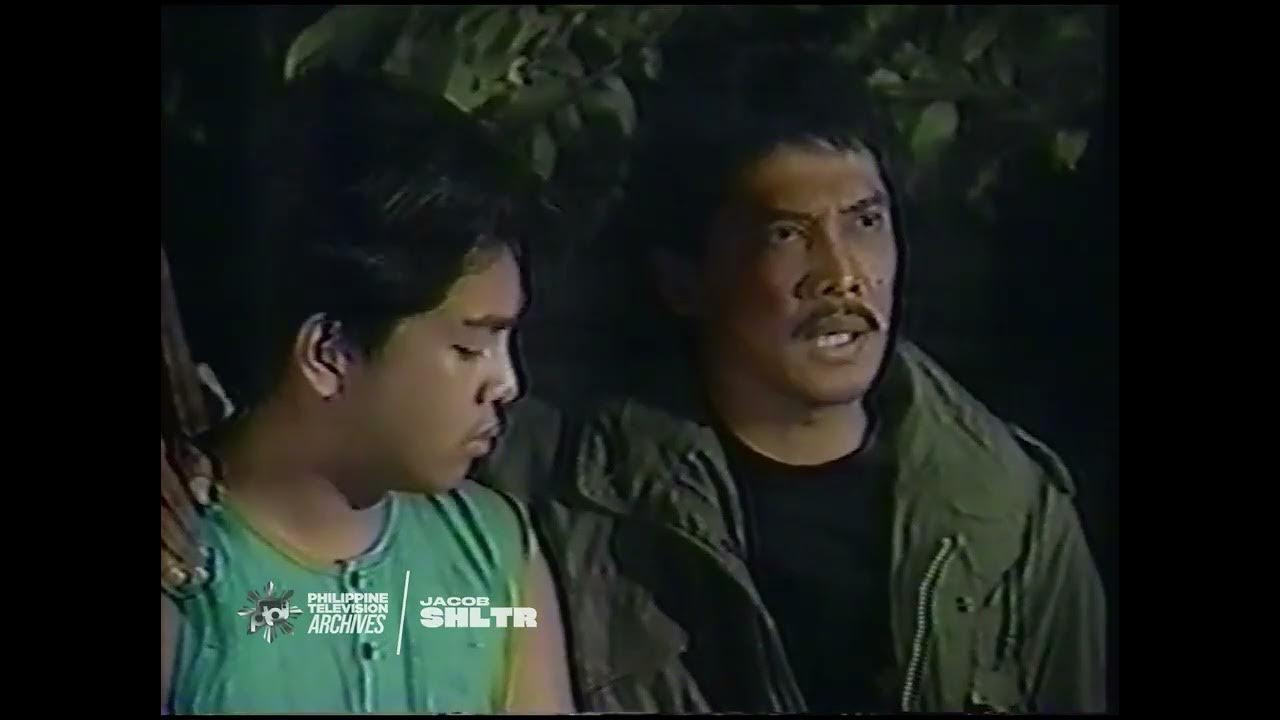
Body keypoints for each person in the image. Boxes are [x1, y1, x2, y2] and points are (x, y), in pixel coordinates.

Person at [164, 49, 1107, 714]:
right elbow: (321, 443)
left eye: (866, 222)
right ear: (682, 276)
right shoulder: (557, 483)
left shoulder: (1009, 515)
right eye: (787, 233)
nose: (842, 276)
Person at [160, 70, 574, 715]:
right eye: (469, 348)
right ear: (329, 354)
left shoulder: (493, 556)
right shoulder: (185, 567)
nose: (507, 384)